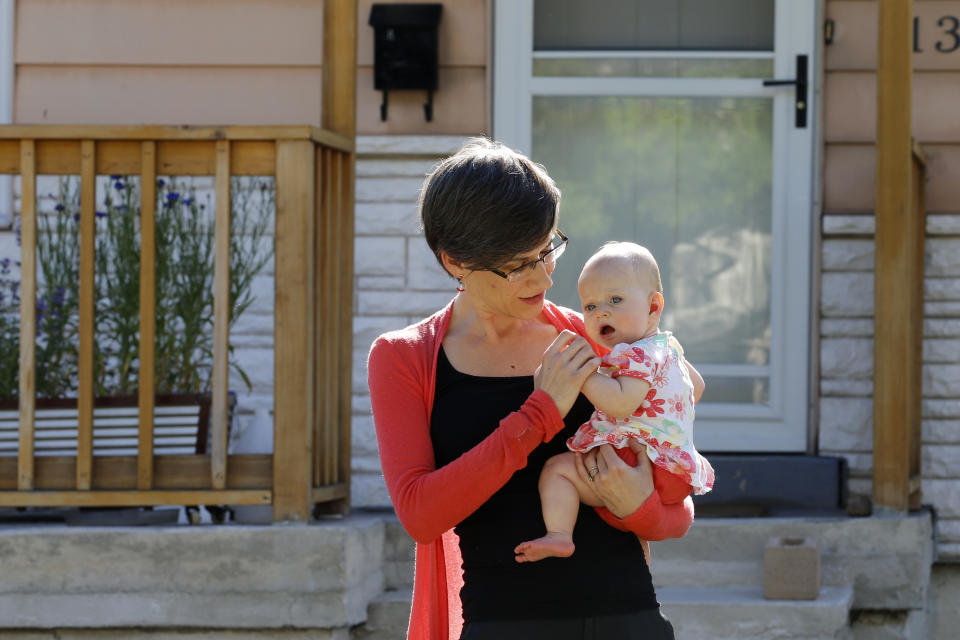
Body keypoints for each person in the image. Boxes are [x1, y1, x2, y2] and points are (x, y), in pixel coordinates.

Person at [367, 138, 694, 640]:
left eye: (547, 250)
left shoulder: (601, 337)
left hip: (629, 619)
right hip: (503, 624)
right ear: (455, 261)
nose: (543, 275)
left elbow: (678, 500)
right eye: (519, 263)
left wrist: (640, 508)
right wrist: (539, 414)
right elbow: (420, 515)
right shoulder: (405, 357)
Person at [514, 242, 715, 564]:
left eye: (615, 300)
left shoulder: (638, 354)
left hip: (638, 462)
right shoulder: (667, 348)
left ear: (653, 307)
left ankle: (559, 536)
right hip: (673, 466)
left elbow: (620, 404)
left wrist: (581, 373)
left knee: (557, 471)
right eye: (590, 306)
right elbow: (698, 387)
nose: (601, 312)